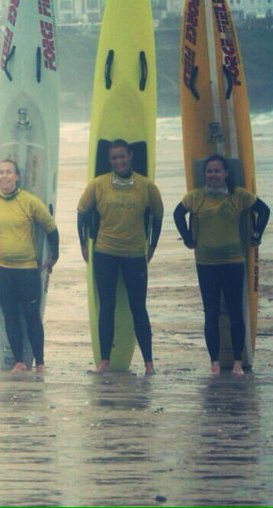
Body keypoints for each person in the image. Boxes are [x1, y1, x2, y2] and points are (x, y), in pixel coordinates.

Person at [173, 154, 269, 375]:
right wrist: (187, 238)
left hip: (233, 262)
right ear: (205, 174)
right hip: (206, 263)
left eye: (217, 171)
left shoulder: (238, 195)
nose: (213, 175)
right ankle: (214, 362)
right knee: (211, 313)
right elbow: (178, 214)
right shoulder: (195, 197)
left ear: (225, 173)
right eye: (209, 171)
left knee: (236, 312)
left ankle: (237, 362)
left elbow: (264, 210)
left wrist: (257, 235)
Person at [78, 139, 163, 375]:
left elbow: (158, 215)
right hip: (105, 252)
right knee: (107, 306)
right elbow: (81, 213)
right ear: (110, 160)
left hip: (134, 254)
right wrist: (83, 244)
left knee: (138, 307)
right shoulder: (98, 185)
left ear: (130, 156)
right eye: (114, 158)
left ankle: (149, 364)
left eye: (122, 156)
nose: (119, 161)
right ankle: (104, 361)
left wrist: (152, 245)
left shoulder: (146, 186)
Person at [0, 159, 59, 373]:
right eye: (0, 172)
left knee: (32, 315)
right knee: (10, 315)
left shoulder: (29, 201)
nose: (4, 176)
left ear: (17, 177)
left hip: (27, 269)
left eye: (8, 172)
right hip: (1, 269)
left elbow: (50, 227)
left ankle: (40, 362)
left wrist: (54, 256)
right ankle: (19, 361)